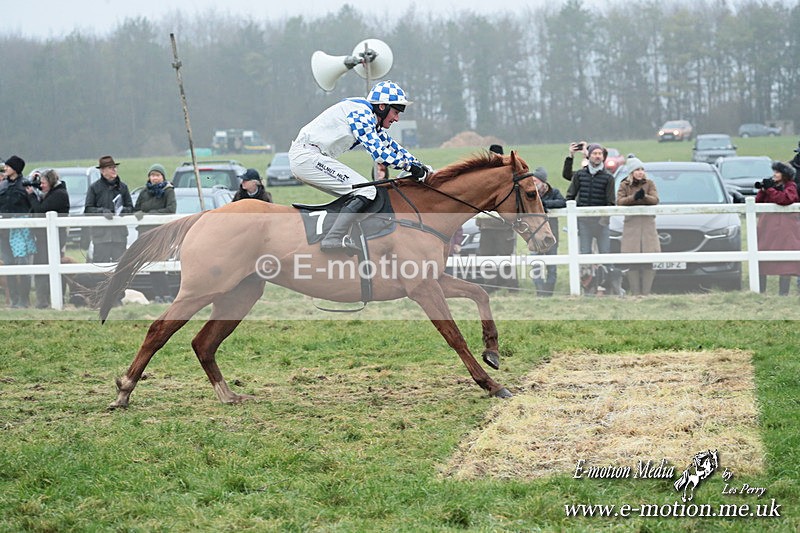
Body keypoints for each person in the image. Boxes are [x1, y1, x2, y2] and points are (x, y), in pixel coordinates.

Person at [288, 80, 429, 253]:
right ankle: (333, 238)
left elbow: (392, 146)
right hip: (307, 157)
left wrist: (421, 166)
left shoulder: (368, 116)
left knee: (364, 192)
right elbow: (380, 154)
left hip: (311, 156)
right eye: (396, 112)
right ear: (382, 107)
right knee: (367, 191)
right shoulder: (361, 113)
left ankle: (345, 235)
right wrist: (411, 168)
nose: (397, 118)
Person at [565, 142, 616, 291]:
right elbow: (570, 195)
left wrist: (603, 221)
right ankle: (587, 287)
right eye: (594, 153)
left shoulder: (608, 177)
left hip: (601, 223)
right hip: (584, 222)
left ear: (603, 157)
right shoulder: (580, 175)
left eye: (600, 154)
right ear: (589, 156)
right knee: (585, 255)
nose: (597, 156)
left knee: (605, 254)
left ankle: (607, 287)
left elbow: (611, 202)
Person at [475, 144, 518, 290]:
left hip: (503, 224)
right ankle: (490, 285)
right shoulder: (482, 174)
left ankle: (511, 285)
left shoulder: (507, 174)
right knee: (487, 256)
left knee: (506, 256)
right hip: (486, 224)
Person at [616, 157, 660, 296]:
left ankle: (646, 292)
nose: (640, 172)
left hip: (647, 226)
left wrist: (644, 197)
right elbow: (620, 201)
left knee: (649, 261)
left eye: (642, 169)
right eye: (637, 170)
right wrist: (634, 198)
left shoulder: (650, 183)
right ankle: (635, 293)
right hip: (632, 227)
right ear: (631, 172)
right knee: (633, 260)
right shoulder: (624, 185)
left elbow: (655, 200)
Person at [755, 161, 800, 296]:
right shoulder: (773, 186)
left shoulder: (790, 186)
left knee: (785, 261)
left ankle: (783, 293)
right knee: (762, 256)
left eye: (778, 172)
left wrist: (770, 190)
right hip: (767, 227)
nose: (774, 174)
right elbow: (758, 202)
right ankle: (760, 291)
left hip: (785, 228)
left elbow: (785, 200)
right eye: (774, 171)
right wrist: (763, 190)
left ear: (785, 175)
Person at [133, 163, 177, 303]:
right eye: (152, 175)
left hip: (161, 234)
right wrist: (140, 214)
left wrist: (153, 214)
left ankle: (167, 294)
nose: (155, 178)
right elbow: (136, 209)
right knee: (151, 264)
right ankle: (158, 295)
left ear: (162, 177)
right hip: (146, 233)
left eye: (157, 175)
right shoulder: (144, 192)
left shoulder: (168, 191)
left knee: (161, 264)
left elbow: (171, 209)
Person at [29, 169, 70, 308]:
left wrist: (32, 196)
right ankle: (47, 298)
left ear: (51, 182)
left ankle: (47, 300)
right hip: (46, 237)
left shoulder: (59, 194)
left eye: (43, 182)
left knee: (46, 266)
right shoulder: (55, 192)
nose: (41, 185)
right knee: (45, 266)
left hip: (52, 237)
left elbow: (41, 210)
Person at [0, 155, 37, 307]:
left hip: (22, 231)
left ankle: (24, 299)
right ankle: (14, 300)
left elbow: (33, 206)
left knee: (23, 264)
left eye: (8, 166)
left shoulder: (25, 185)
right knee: (8, 264)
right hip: (4, 232)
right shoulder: (3, 186)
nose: (5, 168)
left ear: (15, 169)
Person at [84, 155, 133, 262]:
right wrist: (102, 211)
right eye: (110, 168)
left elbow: (131, 208)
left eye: (115, 167)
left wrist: (122, 210)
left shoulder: (123, 187)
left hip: (119, 236)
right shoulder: (94, 188)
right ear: (102, 171)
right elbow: (88, 209)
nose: (114, 170)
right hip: (101, 236)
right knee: (101, 267)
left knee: (120, 266)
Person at [531, 166, 566, 296]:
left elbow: (562, 202)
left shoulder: (554, 192)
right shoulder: (529, 194)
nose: (533, 183)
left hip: (551, 233)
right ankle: (539, 291)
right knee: (536, 264)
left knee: (552, 265)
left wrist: (545, 204)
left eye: (535, 180)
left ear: (542, 181)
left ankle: (549, 291)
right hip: (534, 234)